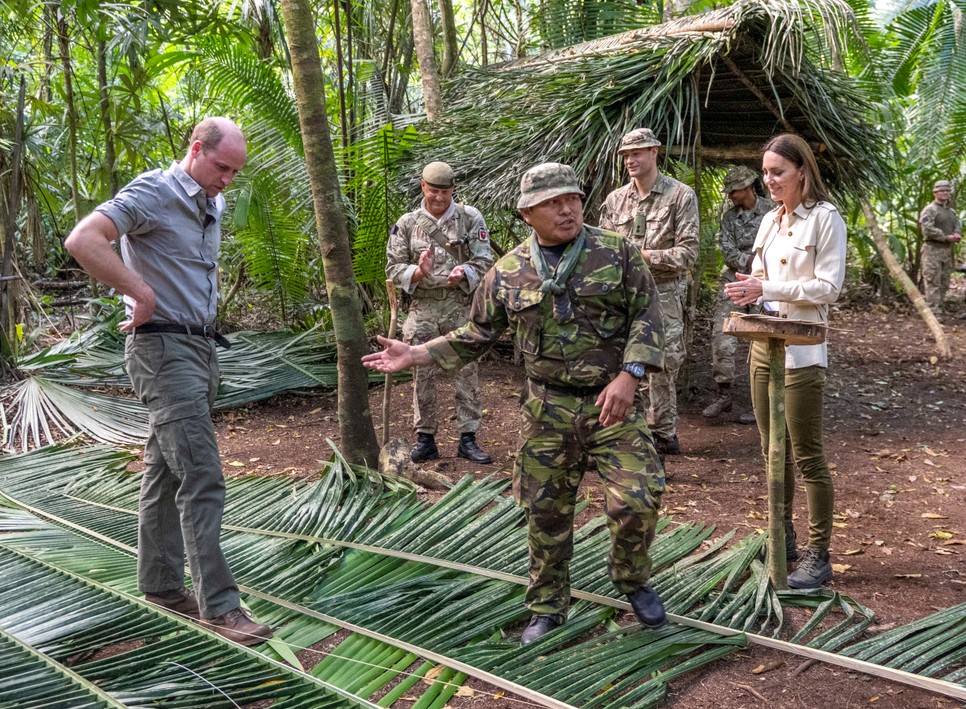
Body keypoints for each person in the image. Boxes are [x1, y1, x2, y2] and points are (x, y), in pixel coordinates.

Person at [364, 163, 668, 644]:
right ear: (528, 213)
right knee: (544, 512)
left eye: (572, 198)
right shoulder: (508, 273)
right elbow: (477, 333)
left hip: (614, 405)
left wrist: (631, 375)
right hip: (547, 409)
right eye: (552, 202)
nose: (566, 208)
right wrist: (418, 353)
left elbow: (648, 318)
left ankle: (631, 577)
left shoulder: (618, 253)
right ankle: (547, 607)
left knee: (637, 501)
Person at [64, 117, 272, 645]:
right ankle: (220, 606)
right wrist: (142, 292)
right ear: (196, 150)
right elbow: (83, 239)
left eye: (234, 172)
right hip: (160, 347)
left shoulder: (212, 202)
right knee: (202, 474)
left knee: (165, 470)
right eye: (222, 167)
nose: (228, 179)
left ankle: (159, 585)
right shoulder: (154, 191)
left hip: (199, 347)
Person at [724, 134, 846, 589]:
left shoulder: (825, 218)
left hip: (803, 352)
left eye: (778, 172)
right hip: (764, 347)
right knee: (772, 448)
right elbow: (761, 277)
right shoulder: (769, 221)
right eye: (766, 172)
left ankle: (819, 553)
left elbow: (828, 287)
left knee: (808, 455)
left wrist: (767, 290)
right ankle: (783, 534)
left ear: (802, 172)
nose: (770, 180)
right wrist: (746, 288)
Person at [386, 161, 494, 464]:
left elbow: (485, 260)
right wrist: (418, 272)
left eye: (445, 192)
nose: (439, 198)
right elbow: (393, 268)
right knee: (422, 372)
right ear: (423, 186)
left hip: (460, 305)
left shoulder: (469, 218)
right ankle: (425, 438)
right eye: (434, 191)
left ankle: (468, 438)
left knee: (466, 369)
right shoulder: (407, 223)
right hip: (423, 306)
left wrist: (466, 271)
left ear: (453, 190)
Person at [599, 128, 699, 456]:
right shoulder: (615, 201)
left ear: (655, 152)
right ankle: (635, 432)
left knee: (664, 366)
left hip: (664, 293)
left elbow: (688, 253)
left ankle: (664, 434)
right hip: (625, 298)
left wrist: (646, 257)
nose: (630, 159)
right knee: (625, 363)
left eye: (637, 152)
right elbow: (603, 251)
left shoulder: (680, 196)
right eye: (626, 155)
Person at [703, 166, 772, 424]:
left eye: (734, 190)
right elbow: (728, 252)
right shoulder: (729, 218)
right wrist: (752, 261)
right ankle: (724, 394)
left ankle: (760, 402)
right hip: (734, 281)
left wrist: (760, 267)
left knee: (762, 339)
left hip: (766, 284)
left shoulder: (773, 212)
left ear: (748, 187)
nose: (731, 195)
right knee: (722, 336)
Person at [918, 180, 961, 312]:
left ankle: (940, 309)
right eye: (942, 190)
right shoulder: (930, 210)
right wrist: (945, 237)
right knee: (932, 282)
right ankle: (933, 313)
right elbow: (927, 229)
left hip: (946, 251)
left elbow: (957, 225)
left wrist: (957, 234)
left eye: (947, 191)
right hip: (932, 250)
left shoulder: (950, 212)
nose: (945, 193)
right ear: (935, 193)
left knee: (944, 282)